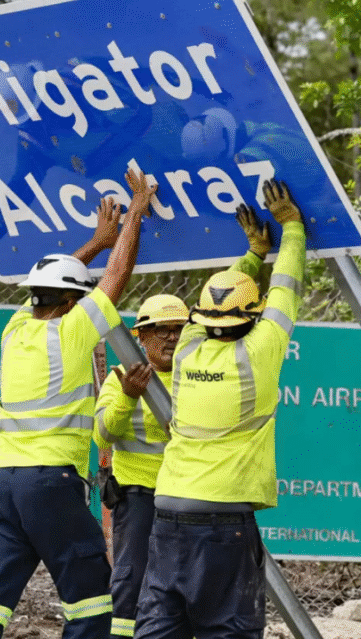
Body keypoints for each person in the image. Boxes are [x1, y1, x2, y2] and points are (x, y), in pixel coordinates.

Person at [0, 169, 158, 639]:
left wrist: (92, 242)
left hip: (2, 486)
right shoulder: (71, 334)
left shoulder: (15, 330)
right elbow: (115, 279)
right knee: (91, 607)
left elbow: (53, 283)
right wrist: (134, 217)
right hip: (50, 484)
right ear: (72, 303)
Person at [134, 178, 306, 639]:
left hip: (167, 512)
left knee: (160, 626)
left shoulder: (188, 344)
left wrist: (252, 254)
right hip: (222, 519)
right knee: (228, 629)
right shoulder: (261, 350)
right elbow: (287, 287)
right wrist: (291, 228)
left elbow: (212, 301)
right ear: (252, 317)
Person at [92, 293, 187, 639]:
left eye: (179, 329)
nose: (172, 337)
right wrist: (129, 395)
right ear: (141, 336)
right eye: (162, 329)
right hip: (138, 498)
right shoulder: (120, 380)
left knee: (185, 580)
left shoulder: (195, 377)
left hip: (185, 496)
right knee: (132, 582)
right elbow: (102, 436)